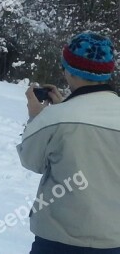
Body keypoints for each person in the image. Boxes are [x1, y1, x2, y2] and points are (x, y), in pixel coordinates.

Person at [17, 32, 120, 254]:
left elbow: (31, 160)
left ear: (69, 70)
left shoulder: (54, 119)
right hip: (113, 241)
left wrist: (36, 118)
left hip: (58, 241)